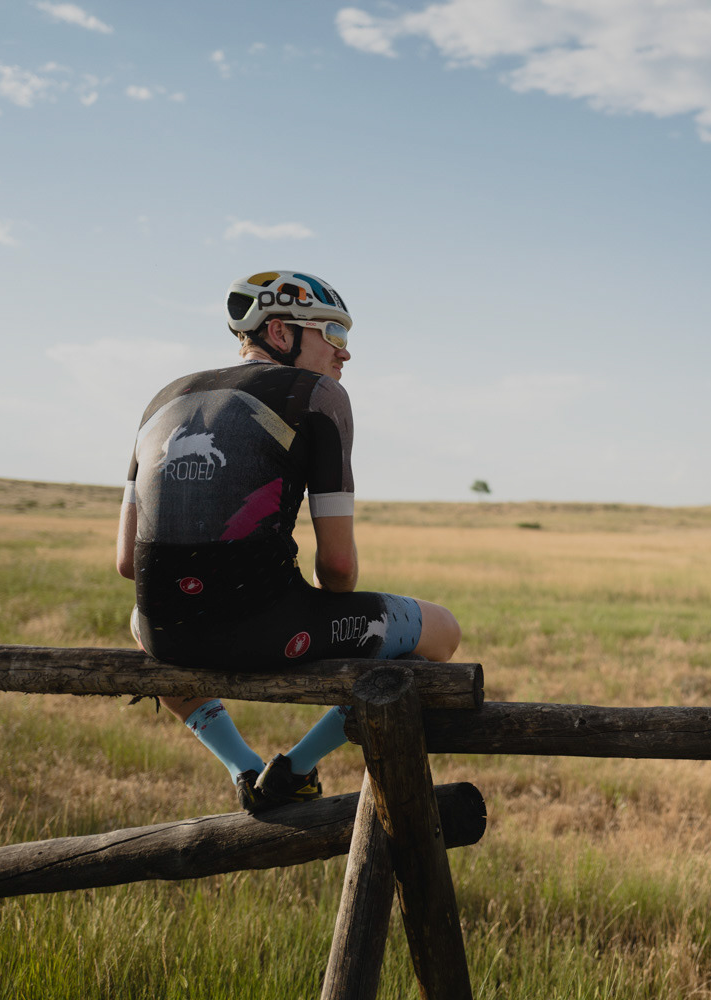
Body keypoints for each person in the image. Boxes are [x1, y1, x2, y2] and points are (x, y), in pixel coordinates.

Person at [115, 269, 460, 813]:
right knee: (443, 630)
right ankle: (296, 767)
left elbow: (126, 562)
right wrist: (325, 606)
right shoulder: (320, 395)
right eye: (334, 332)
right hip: (273, 630)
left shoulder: (161, 398)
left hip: (165, 633)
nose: (345, 352)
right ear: (280, 332)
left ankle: (242, 766)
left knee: (141, 619)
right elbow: (339, 568)